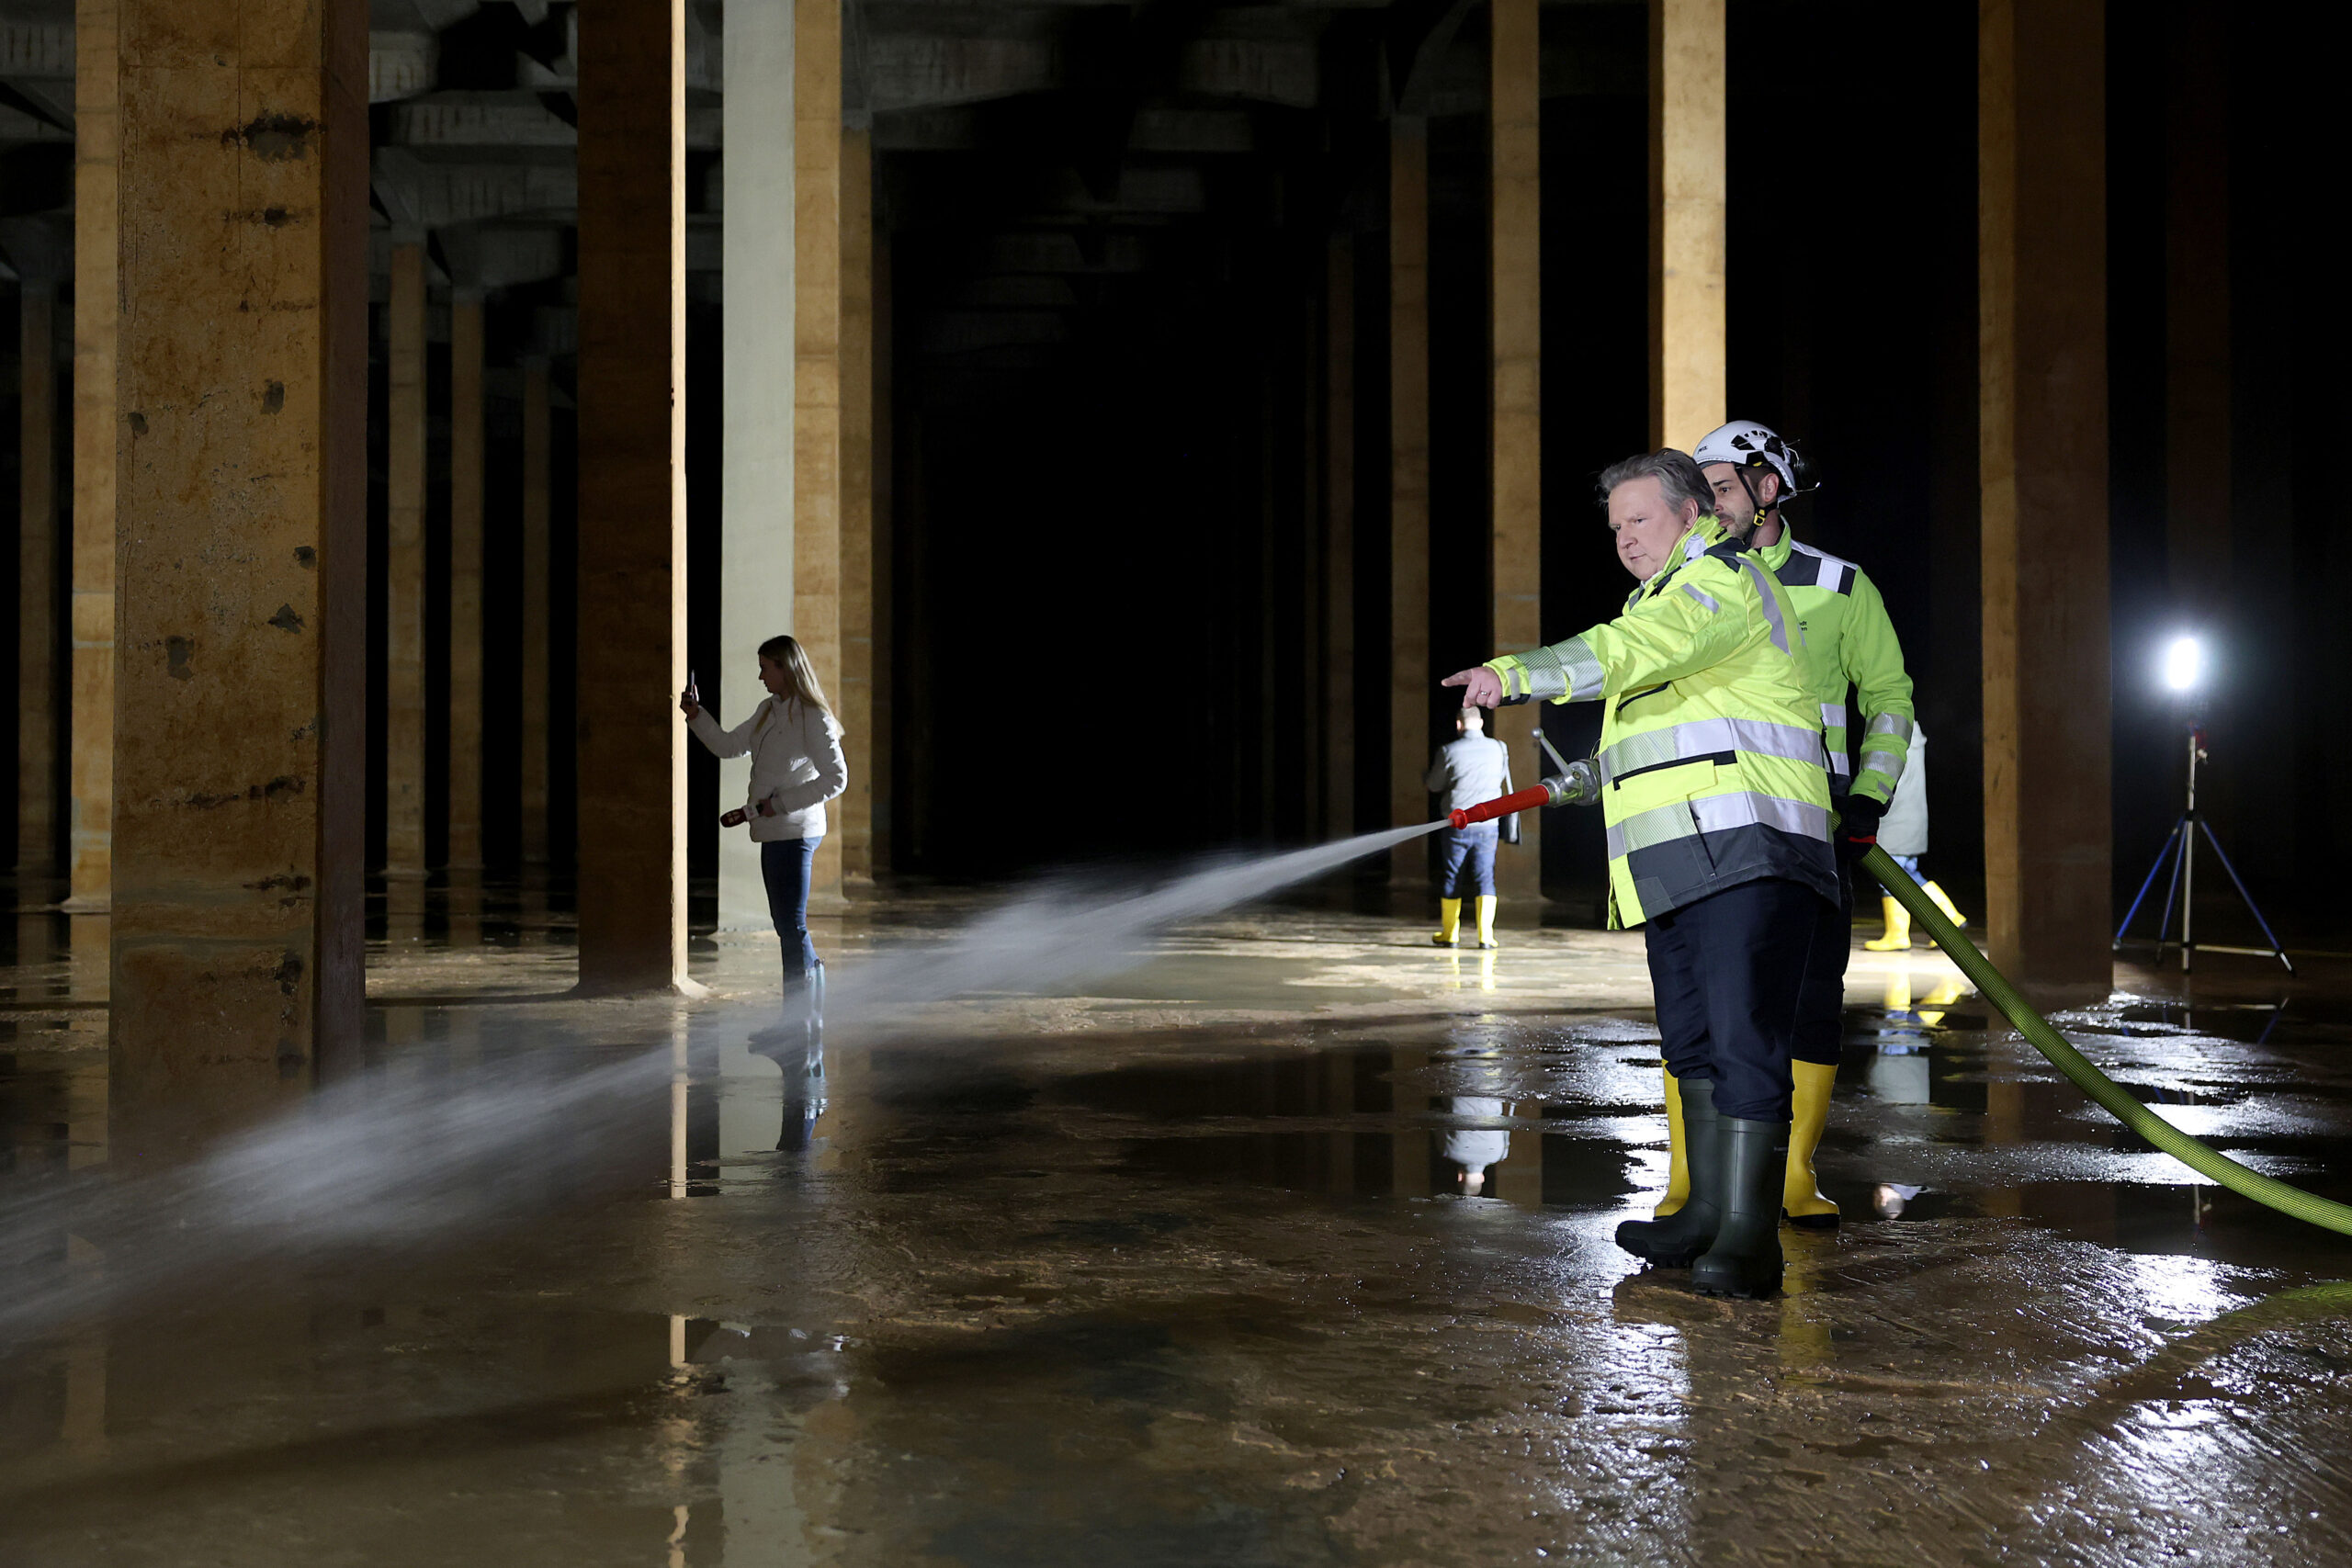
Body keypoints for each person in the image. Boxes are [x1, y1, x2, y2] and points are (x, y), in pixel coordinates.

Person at [1443, 448, 1844, 1299]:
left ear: (1691, 516)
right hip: (1682, 861)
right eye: (1617, 525)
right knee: (1693, 1045)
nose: (1625, 538)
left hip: (1747, 848)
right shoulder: (1666, 599)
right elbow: (1674, 718)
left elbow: (1630, 652)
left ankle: (1749, 1239)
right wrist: (1589, 774)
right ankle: (1704, 1213)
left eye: (1641, 520)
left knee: (1742, 1044)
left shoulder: (1717, 584)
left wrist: (1514, 674)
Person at [1678, 418, 1913, 1231]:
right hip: (1711, 821)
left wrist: (1869, 799)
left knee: (1811, 998)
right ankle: (1693, 1184)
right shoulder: (1689, 581)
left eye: (1717, 487)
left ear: (1768, 487)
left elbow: (1889, 701)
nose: (1703, 505)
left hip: (1814, 825)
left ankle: (1792, 1177)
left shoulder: (1841, 586)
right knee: (1706, 1000)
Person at [679, 634, 847, 1016]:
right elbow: (727, 746)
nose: (760, 676)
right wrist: (695, 714)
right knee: (786, 924)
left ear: (786, 669)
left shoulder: (813, 716)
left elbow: (837, 779)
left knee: (791, 925)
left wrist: (779, 805)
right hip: (773, 831)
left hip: (796, 830)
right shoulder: (768, 710)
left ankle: (798, 1015)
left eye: (765, 668)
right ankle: (805, 1004)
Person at [1861, 720, 1969, 950]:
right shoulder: (1912, 736)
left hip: (1896, 817)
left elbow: (1882, 777)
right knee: (1907, 873)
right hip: (1910, 816)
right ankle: (1949, 917)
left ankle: (1897, 934)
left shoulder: (1892, 735)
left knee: (1890, 874)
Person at [1424, 706, 1514, 949]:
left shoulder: (1448, 751)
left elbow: (1434, 784)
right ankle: (1486, 937)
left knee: (1453, 875)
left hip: (1457, 824)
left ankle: (1450, 934)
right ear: (1481, 723)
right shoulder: (1499, 748)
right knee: (1485, 875)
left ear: (1458, 725)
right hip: (1488, 824)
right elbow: (1502, 779)